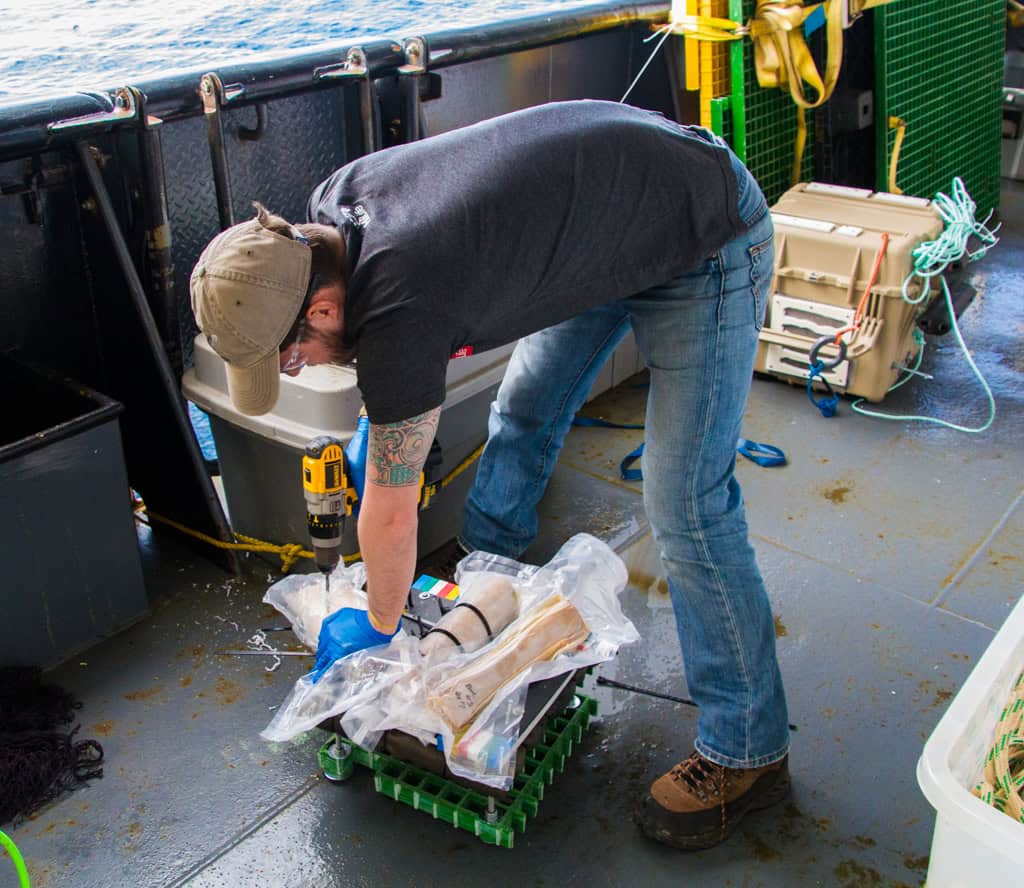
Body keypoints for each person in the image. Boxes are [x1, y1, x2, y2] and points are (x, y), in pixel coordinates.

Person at [189, 99, 790, 850]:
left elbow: (390, 510)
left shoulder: (400, 291)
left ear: (321, 304)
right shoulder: (329, 217)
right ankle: (484, 581)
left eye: (291, 353)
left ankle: (749, 748)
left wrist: (377, 626)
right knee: (522, 415)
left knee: (687, 504)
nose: (297, 367)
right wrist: (386, 427)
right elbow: (401, 357)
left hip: (702, 234)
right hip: (608, 228)